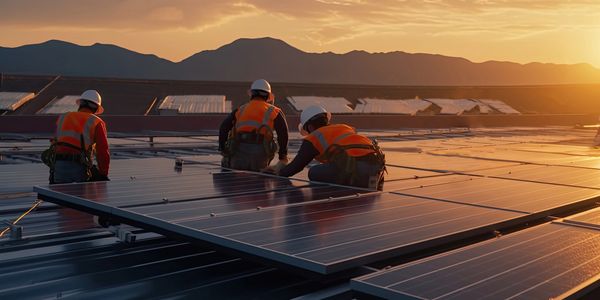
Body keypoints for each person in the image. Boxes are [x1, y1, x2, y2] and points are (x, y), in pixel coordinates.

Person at [274, 105, 386, 190]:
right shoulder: (345, 127)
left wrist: (277, 172)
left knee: (313, 172)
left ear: (310, 126)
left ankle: (354, 182)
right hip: (376, 169)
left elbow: (296, 166)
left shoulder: (314, 137)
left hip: (356, 171)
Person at [219, 79, 289, 171]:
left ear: (251, 93)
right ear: (268, 96)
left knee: (227, 166)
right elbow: (283, 134)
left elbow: (224, 127)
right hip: (260, 156)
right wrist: (282, 156)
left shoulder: (241, 109)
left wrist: (223, 149)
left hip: (238, 154)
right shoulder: (275, 111)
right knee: (260, 177)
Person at [48, 90, 110, 183]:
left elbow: (55, 141)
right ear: (96, 108)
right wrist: (103, 174)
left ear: (80, 104)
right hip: (79, 166)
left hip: (58, 166)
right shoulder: (96, 122)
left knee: (59, 195)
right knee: (80, 195)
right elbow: (102, 151)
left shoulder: (64, 117)